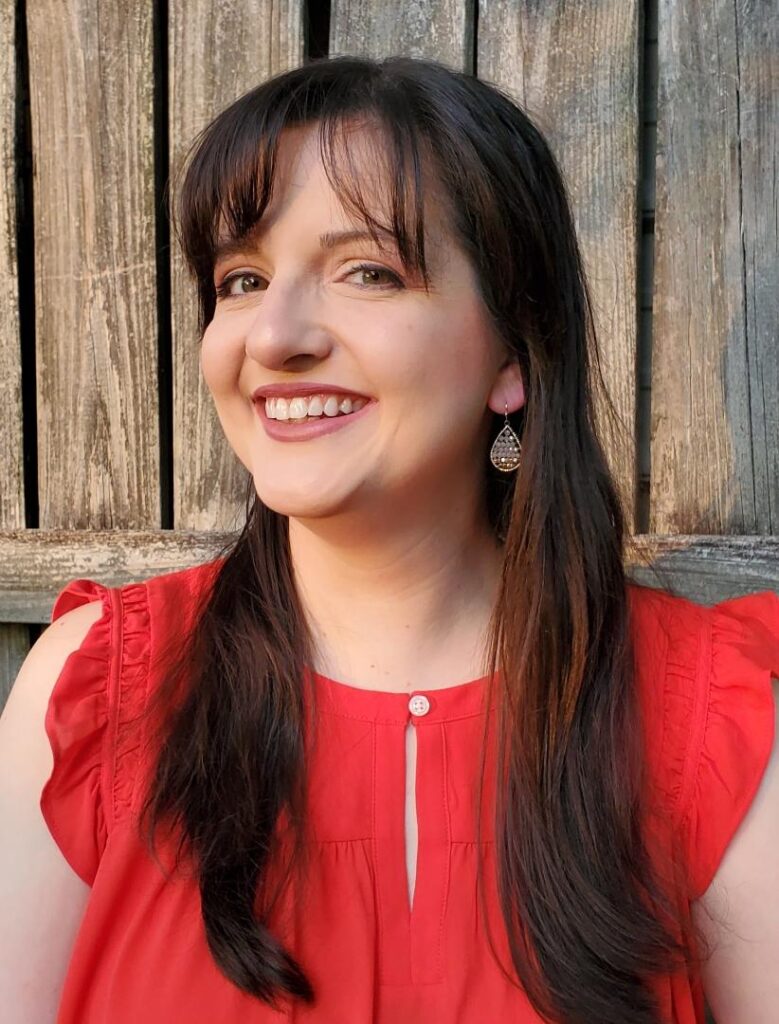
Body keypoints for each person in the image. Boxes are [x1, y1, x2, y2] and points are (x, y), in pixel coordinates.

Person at [1, 54, 777, 1024]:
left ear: (511, 351)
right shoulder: (94, 696)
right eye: (241, 279)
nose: (273, 335)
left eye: (366, 271)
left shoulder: (708, 720)